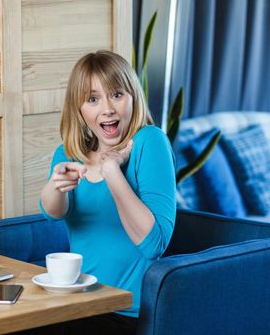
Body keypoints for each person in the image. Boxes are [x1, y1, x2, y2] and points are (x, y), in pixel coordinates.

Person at [38, 50, 176, 334]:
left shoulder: (149, 142)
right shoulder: (68, 153)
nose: (107, 109)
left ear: (133, 98)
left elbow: (154, 244)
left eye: (117, 94)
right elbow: (53, 212)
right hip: (77, 304)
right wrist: (55, 185)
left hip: (128, 311)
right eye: (92, 99)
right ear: (79, 109)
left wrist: (112, 172)